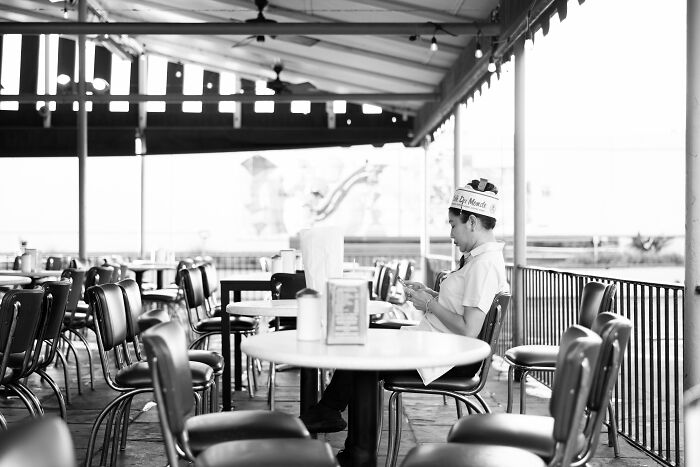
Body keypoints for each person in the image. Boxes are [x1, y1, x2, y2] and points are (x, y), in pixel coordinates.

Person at [299, 178, 509, 464]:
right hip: (439, 344)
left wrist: (430, 304)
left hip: (452, 355)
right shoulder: (480, 260)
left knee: (367, 354)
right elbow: (463, 308)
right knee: (368, 342)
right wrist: (430, 293)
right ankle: (342, 430)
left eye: (453, 224)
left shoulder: (484, 264)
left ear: (471, 221)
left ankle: (347, 437)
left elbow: (469, 329)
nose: (450, 233)